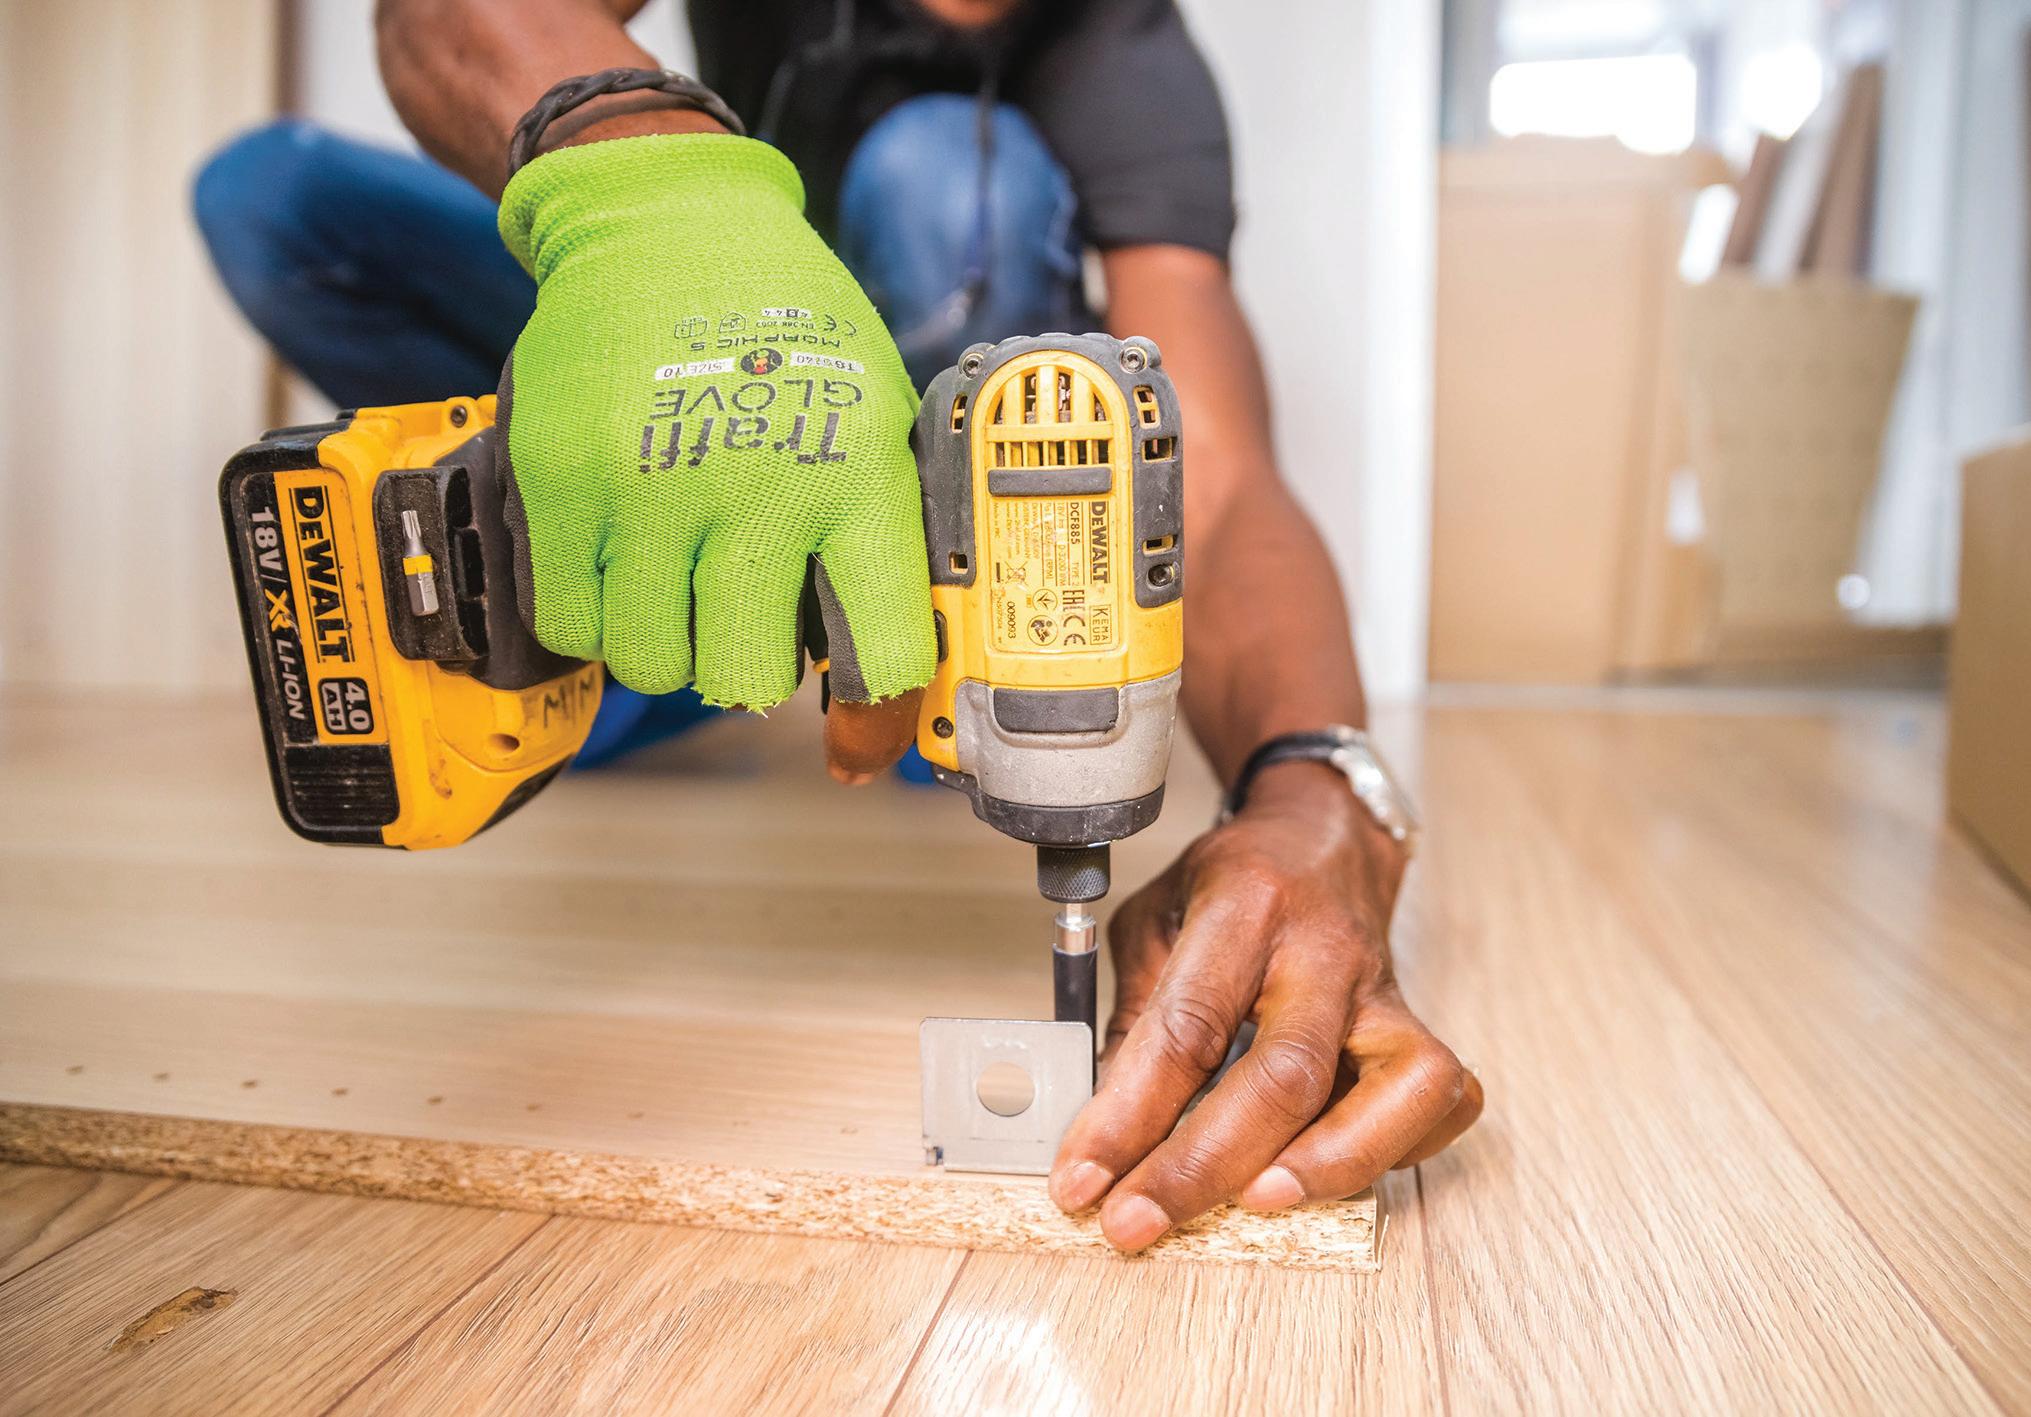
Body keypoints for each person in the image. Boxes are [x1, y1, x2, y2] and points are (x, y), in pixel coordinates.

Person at [192, 0, 1482, 1254]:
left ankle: (859, 637)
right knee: (277, 196)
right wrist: (659, 191)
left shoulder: (1127, 49)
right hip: (693, 351)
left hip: (911, 497)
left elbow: (1222, 484)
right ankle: (652, 589)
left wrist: (1317, 792)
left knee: (944, 174)